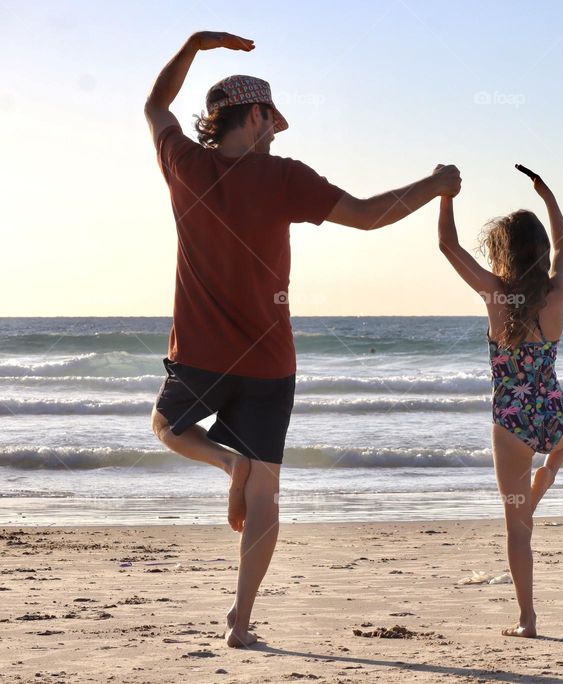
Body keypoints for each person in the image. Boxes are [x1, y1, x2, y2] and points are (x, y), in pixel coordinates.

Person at [143, 31, 460, 648]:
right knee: (265, 490)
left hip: (201, 356)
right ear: (256, 114)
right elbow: (371, 214)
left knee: (166, 427)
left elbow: (155, 103)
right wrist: (436, 182)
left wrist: (194, 46)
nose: (274, 134)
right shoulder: (283, 178)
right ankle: (241, 621)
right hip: (269, 362)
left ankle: (221, 461)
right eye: (271, 121)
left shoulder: (185, 164)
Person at [437, 169, 563, 638]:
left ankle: (527, 620)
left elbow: (448, 247)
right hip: (554, 418)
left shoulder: (496, 295)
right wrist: (550, 198)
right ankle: (552, 470)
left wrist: (445, 197)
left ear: (506, 253)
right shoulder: (555, 294)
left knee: (518, 528)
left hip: (511, 426)